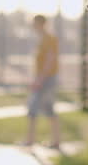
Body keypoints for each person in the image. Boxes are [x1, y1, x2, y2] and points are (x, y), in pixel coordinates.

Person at [22, 14, 60, 149]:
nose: (33, 26)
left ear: (41, 24)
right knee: (46, 108)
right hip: (43, 78)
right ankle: (52, 141)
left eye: (34, 23)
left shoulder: (49, 39)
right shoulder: (42, 39)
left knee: (35, 107)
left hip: (46, 79)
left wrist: (39, 80)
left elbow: (50, 60)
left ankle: (31, 140)